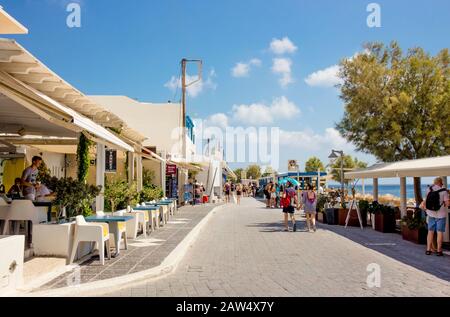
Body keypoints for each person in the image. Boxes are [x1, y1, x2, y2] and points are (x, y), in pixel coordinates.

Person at [421, 177, 449, 256]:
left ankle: (428, 250)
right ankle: (439, 251)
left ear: (434, 182)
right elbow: (448, 204)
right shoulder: (444, 191)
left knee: (430, 232)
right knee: (439, 232)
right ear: (441, 183)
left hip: (430, 214)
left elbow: (425, 201)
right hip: (441, 215)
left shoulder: (429, 189)